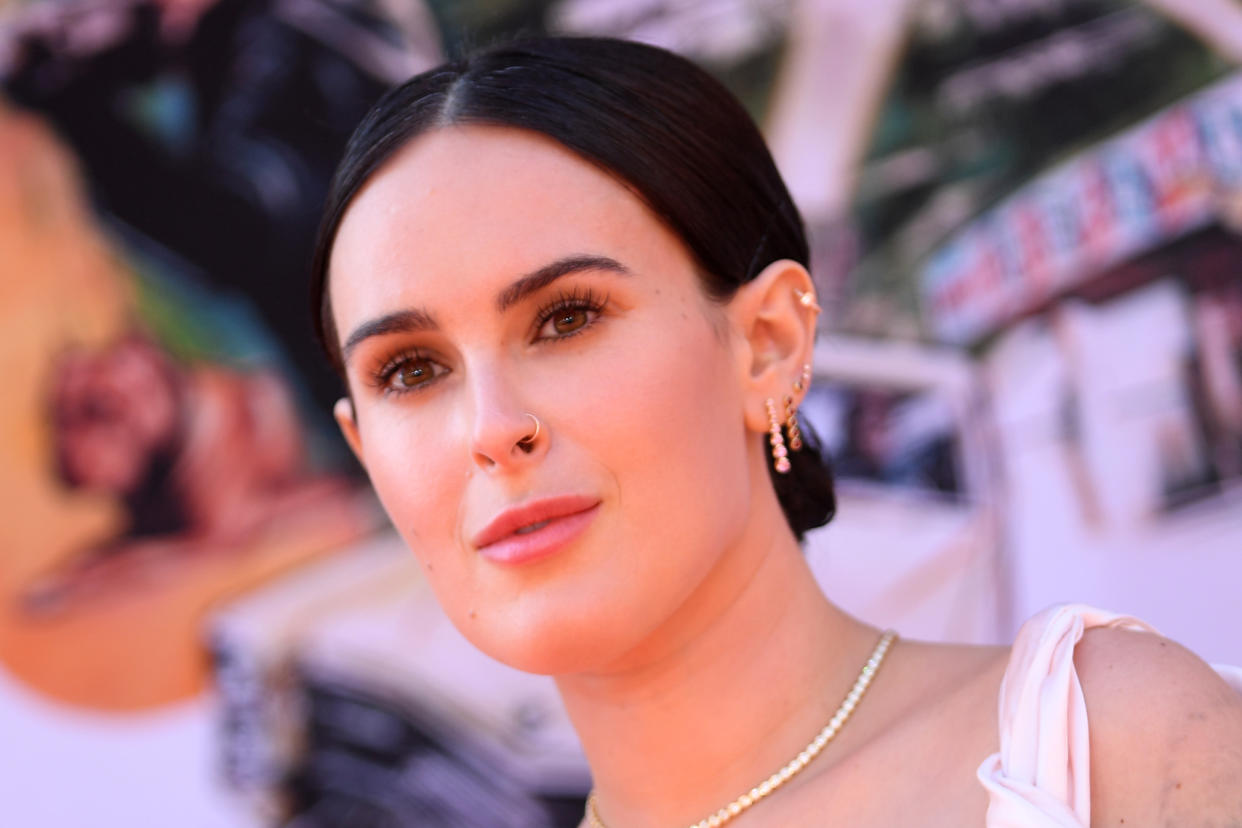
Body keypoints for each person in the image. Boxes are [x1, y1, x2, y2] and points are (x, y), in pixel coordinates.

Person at [309, 36, 1242, 827]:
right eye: (411, 371)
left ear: (766, 344)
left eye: (567, 318)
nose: (492, 427)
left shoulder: (1106, 744)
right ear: (367, 456)